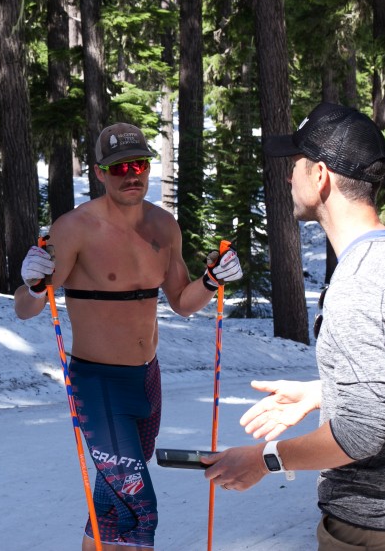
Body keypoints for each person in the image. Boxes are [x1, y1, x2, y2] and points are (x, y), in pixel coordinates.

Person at [203, 103, 385, 550]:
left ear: (320, 176)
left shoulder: (360, 284)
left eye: (295, 165)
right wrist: (325, 392)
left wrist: (264, 459)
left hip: (375, 531)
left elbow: (358, 436)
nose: (287, 177)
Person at [14, 123, 243, 551]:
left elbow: (181, 301)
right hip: (98, 384)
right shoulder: (74, 228)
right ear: (99, 173)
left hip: (147, 380)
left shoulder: (164, 226)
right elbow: (27, 309)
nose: (130, 175)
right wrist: (30, 285)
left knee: (111, 503)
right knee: (139, 507)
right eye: (118, 168)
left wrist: (212, 280)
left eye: (138, 164)